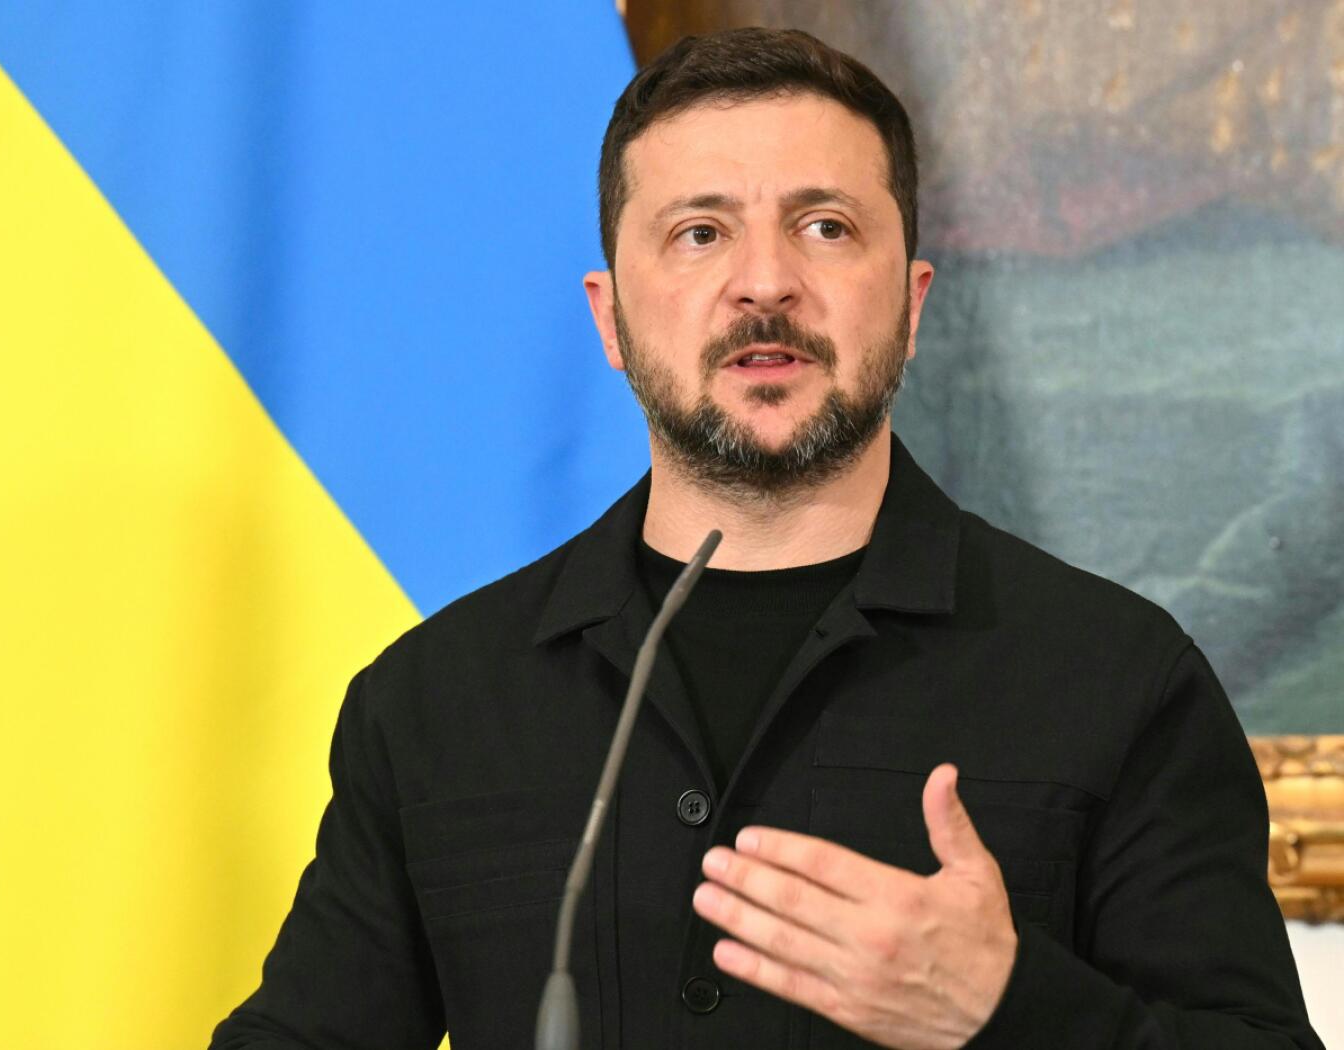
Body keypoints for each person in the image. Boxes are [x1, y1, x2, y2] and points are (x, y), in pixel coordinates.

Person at [210, 27, 1322, 1050]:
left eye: (824, 227)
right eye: (699, 233)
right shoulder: (434, 701)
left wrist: (1010, 1009)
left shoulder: (1118, 680)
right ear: (609, 317)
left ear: (913, 305)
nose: (764, 283)